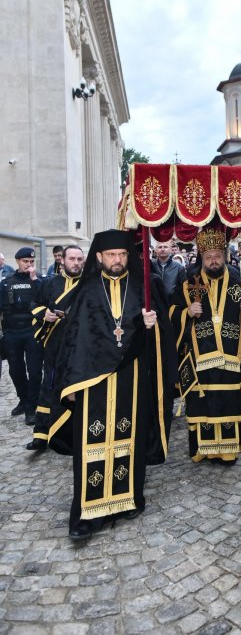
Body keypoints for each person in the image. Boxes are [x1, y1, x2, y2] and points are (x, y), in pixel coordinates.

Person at [48, 229, 177, 541]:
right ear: (99, 258)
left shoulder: (142, 289)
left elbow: (161, 339)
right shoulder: (88, 291)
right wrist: (73, 386)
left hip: (132, 381)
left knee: (127, 438)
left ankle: (126, 499)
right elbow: (73, 342)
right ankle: (87, 515)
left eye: (122, 255)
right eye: (111, 256)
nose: (117, 260)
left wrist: (152, 326)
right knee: (91, 445)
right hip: (92, 384)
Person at [169, 226, 241, 464]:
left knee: (229, 401)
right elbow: (170, 312)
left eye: (218, 256)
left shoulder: (240, 282)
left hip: (231, 355)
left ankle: (229, 450)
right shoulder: (188, 285)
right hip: (200, 356)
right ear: (202, 257)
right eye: (209, 257)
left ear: (225, 255)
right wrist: (187, 312)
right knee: (201, 402)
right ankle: (202, 449)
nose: (214, 261)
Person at [27, 245, 85, 451]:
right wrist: (45, 314)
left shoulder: (89, 285)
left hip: (80, 346)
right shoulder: (50, 284)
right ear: (62, 260)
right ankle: (41, 434)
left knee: (75, 388)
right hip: (55, 343)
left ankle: (72, 433)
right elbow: (34, 304)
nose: (76, 263)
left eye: (79, 259)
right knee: (48, 386)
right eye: (72, 259)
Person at [0, 247, 43, 424]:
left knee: (34, 372)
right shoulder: (5, 283)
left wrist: (35, 280)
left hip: (32, 332)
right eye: (26, 261)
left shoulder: (39, 281)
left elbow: (46, 299)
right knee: (15, 371)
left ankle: (31, 408)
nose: (29, 264)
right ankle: (24, 400)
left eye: (32, 261)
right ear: (18, 261)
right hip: (11, 333)